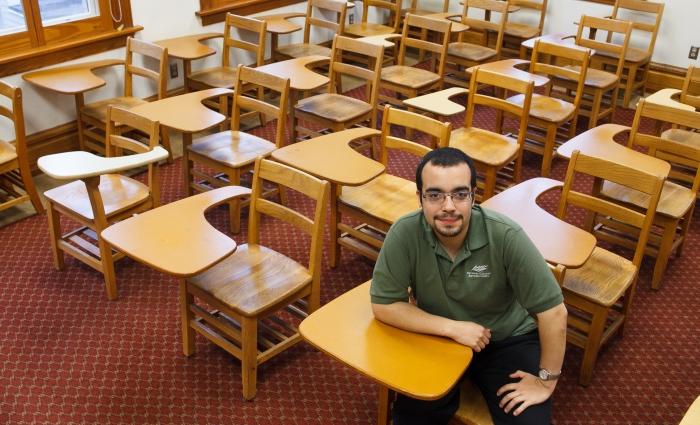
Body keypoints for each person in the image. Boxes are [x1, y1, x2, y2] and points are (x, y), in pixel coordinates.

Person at [371, 147, 567, 425]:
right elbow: (384, 304)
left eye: (460, 194)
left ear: (474, 197)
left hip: (506, 340)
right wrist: (453, 328)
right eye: (435, 195)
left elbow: (554, 313)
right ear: (420, 199)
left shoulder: (506, 234)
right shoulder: (404, 232)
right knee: (411, 417)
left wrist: (546, 382)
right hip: (439, 337)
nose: (448, 206)